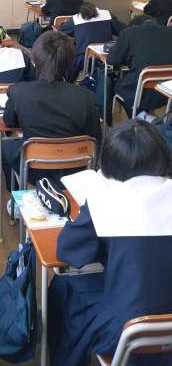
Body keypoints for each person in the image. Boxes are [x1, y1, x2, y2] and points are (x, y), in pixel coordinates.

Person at [49, 120, 172, 366]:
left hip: (129, 333)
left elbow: (67, 251)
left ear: (108, 163)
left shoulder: (105, 199)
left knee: (64, 286)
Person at [2, 31, 101, 191]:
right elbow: (95, 137)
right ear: (69, 63)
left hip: (33, 168)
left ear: (34, 61)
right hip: (76, 168)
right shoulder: (86, 97)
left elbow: (8, 122)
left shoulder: (19, 91)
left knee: (6, 146)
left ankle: (16, 197)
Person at [107, 14, 172, 117]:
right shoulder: (169, 31)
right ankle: (148, 117)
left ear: (134, 26)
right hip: (166, 92)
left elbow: (112, 60)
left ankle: (141, 117)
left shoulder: (128, 33)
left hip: (140, 92)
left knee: (118, 85)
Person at [60, 2, 125, 80]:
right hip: (106, 58)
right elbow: (123, 30)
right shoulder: (107, 15)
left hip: (84, 59)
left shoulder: (76, 19)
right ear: (97, 9)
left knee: (70, 63)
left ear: (80, 11)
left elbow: (61, 30)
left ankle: (69, 82)